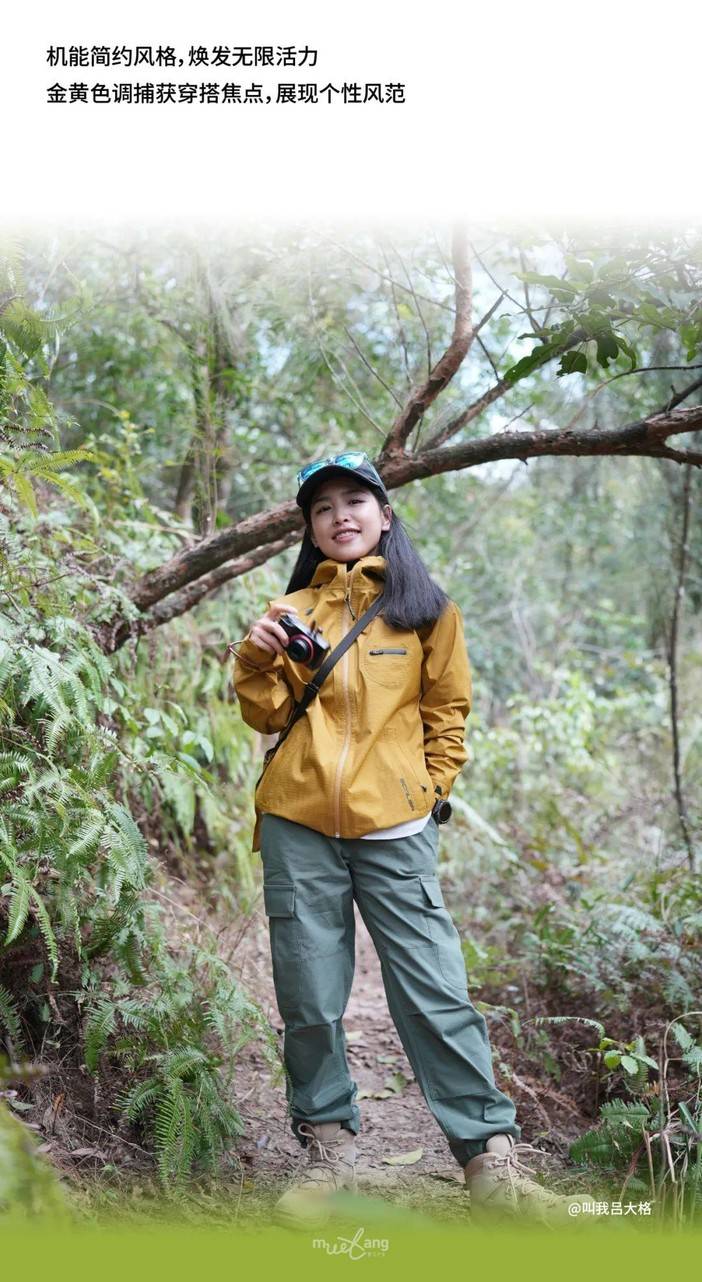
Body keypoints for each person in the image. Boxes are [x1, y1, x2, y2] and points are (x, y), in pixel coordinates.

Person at [230, 450, 578, 1228]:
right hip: (297, 823)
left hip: (397, 828)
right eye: (323, 508)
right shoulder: (291, 610)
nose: (340, 516)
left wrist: (428, 792)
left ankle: (490, 1161)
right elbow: (265, 711)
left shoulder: (427, 609)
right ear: (311, 529)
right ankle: (327, 1152)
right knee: (308, 994)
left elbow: (449, 713)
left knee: (435, 991)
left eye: (354, 501)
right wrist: (253, 659)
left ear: (385, 515)